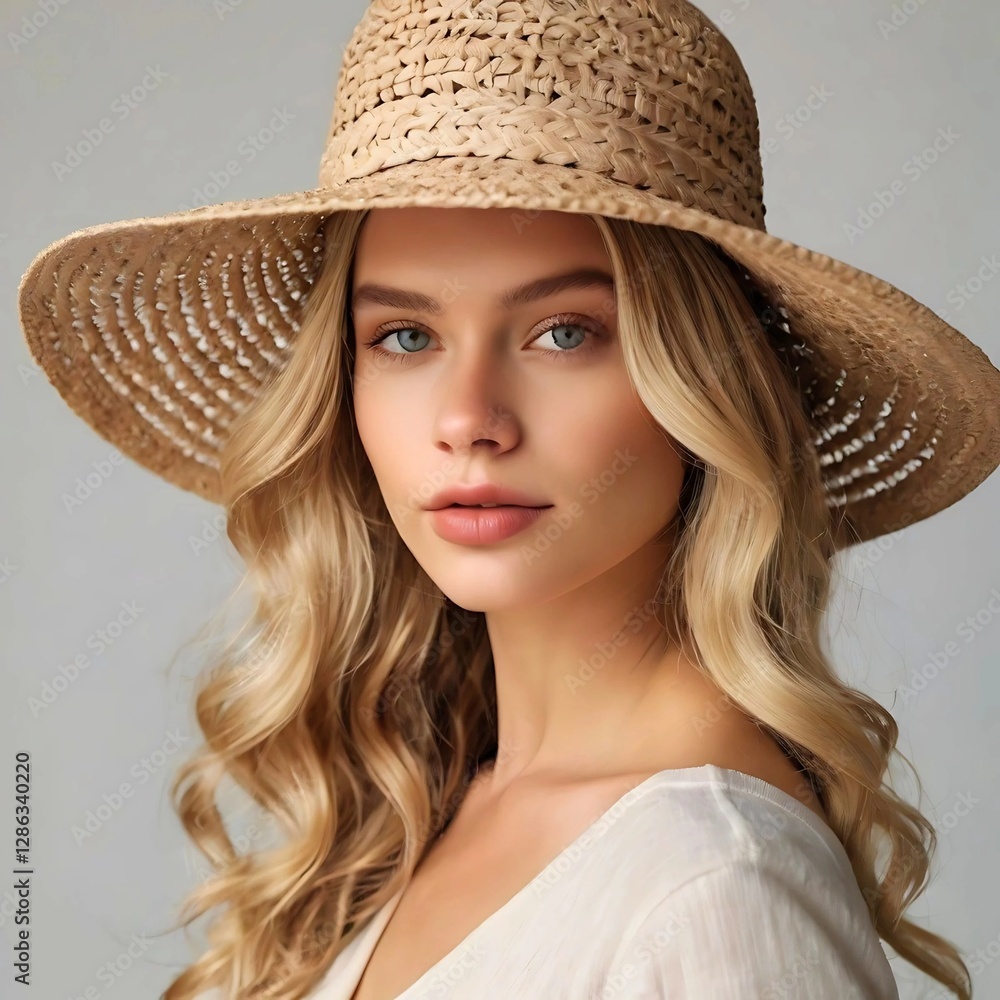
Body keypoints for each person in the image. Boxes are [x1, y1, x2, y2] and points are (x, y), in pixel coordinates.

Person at [16, 2, 999, 998]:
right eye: (405, 337)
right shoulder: (426, 811)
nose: (469, 420)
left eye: (564, 332)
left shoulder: (716, 889)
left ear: (704, 380)